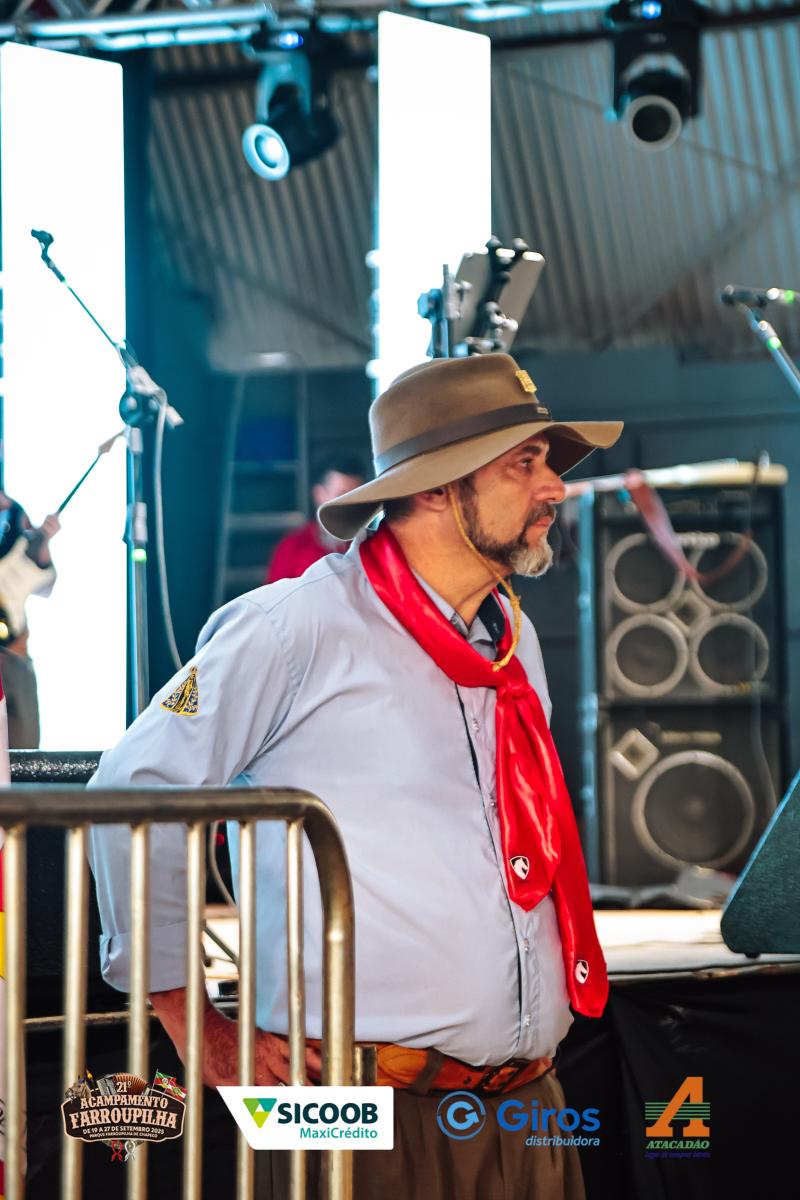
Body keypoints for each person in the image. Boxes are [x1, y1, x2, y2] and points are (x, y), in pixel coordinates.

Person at [88, 353, 623, 1199]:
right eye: (525, 463)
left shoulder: (510, 641)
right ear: (437, 487)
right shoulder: (294, 626)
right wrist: (197, 1027)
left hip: (526, 1106)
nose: (555, 486)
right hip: (342, 1104)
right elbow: (131, 791)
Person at [0, 491, 60, 747]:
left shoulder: (15, 514)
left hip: (13, 656)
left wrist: (42, 543)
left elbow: (45, 585)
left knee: (24, 755)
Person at [265, 453, 365, 582]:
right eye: (342, 495)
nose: (351, 505)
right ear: (319, 494)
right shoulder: (291, 548)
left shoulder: (369, 546)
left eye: (357, 496)